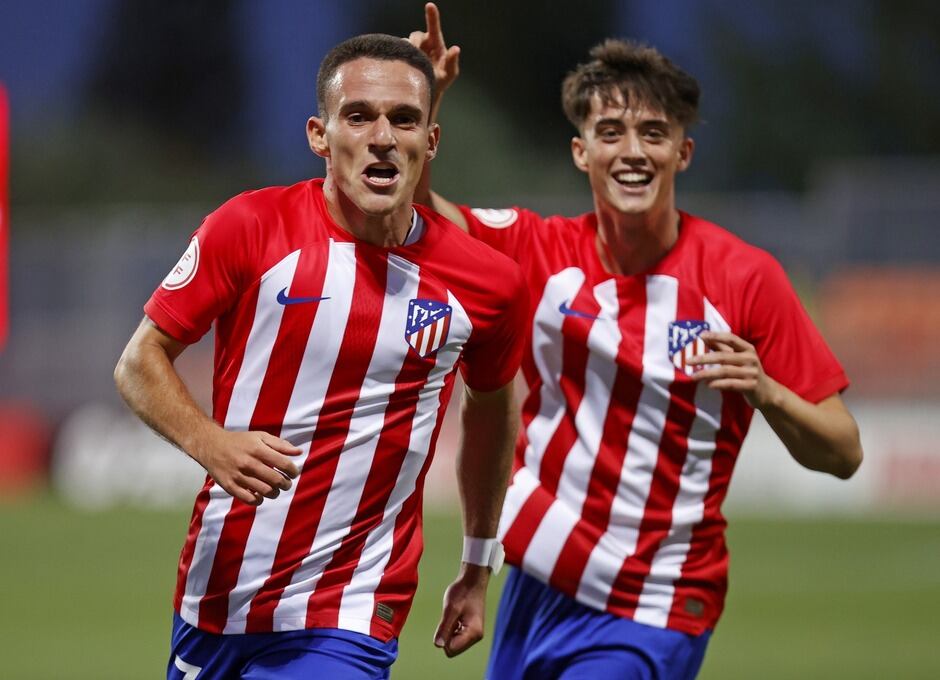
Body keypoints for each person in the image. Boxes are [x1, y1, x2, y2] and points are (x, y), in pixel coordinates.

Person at [409, 5, 864, 678]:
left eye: (654, 133)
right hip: (537, 585)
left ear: (682, 151)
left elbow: (845, 451)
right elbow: (417, 218)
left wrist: (767, 391)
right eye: (611, 131)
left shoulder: (745, 278)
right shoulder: (540, 250)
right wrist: (427, 99)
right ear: (581, 150)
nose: (632, 151)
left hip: (655, 605)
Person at [114, 33, 528, 679]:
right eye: (359, 116)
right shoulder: (250, 227)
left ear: (431, 141)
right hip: (221, 588)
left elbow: (493, 413)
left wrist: (477, 565)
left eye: (404, 118)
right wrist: (208, 441)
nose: (382, 136)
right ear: (319, 134)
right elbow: (139, 361)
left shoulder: (488, 283)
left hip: (352, 608)